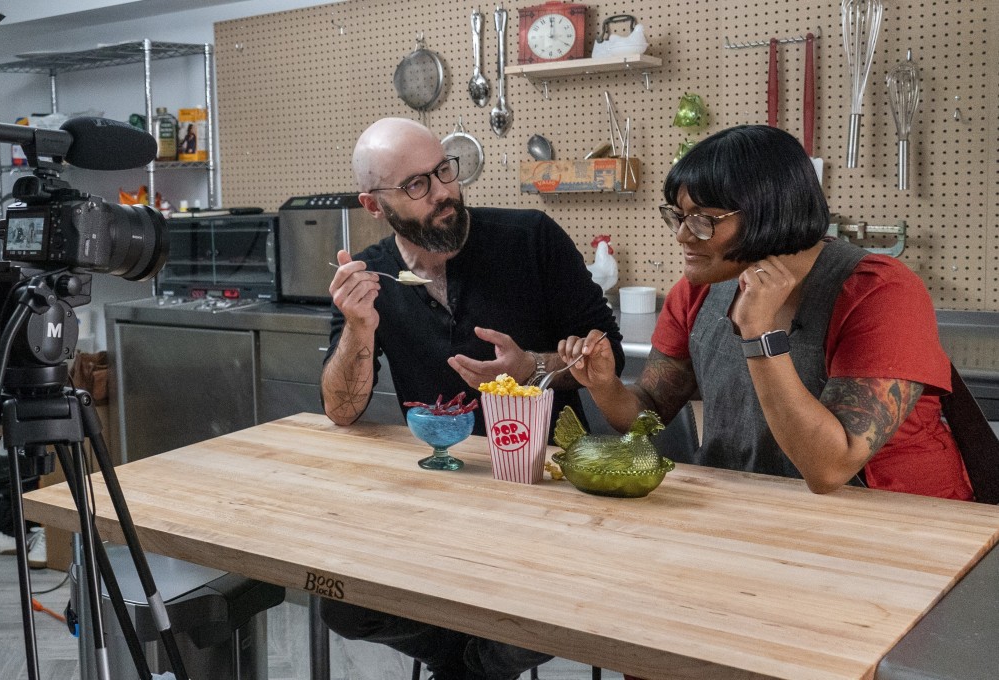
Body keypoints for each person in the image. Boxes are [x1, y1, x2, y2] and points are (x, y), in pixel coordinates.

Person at [319, 117, 624, 679]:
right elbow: (342, 409)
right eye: (416, 185)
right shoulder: (372, 276)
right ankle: (463, 663)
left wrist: (534, 366)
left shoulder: (530, 237)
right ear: (373, 204)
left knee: (543, 620)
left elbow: (606, 353)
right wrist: (359, 329)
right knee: (344, 605)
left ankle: (472, 668)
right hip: (439, 489)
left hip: (543, 487)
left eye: (443, 171)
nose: (443, 194)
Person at [560, 124, 973, 502]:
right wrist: (605, 386)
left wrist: (759, 335)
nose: (684, 235)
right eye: (679, 216)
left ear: (766, 212)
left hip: (900, 519)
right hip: (755, 505)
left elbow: (830, 469)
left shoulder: (879, 291)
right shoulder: (697, 291)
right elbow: (648, 410)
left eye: (704, 220)